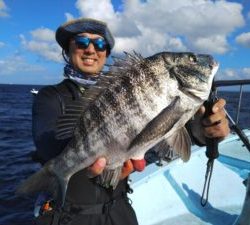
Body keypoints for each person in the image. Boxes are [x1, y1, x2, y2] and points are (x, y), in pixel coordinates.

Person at [31, 18, 230, 225]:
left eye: (99, 44)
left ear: (106, 53)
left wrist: (207, 131)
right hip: (68, 214)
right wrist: (81, 159)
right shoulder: (50, 97)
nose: (91, 50)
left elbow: (173, 127)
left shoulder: (122, 90)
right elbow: (48, 147)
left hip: (119, 209)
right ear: (67, 49)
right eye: (81, 42)